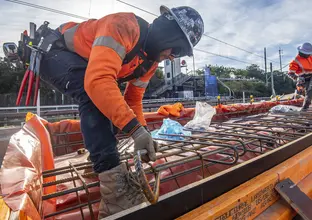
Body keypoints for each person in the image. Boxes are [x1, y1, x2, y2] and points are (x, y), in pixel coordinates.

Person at [39, 5, 204, 218]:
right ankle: (114, 195)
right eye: (177, 50)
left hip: (85, 64)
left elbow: (132, 100)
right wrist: (135, 131)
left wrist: (142, 131)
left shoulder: (149, 64)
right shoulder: (123, 26)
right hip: (55, 51)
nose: (173, 57)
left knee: (112, 103)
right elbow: (97, 81)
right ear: (170, 34)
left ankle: (98, 165)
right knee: (95, 94)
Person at [288, 42, 312, 111]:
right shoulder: (296, 60)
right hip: (303, 78)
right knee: (304, 92)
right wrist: (297, 78)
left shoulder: (311, 57)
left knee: (310, 90)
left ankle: (305, 107)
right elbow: (290, 73)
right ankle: (303, 106)